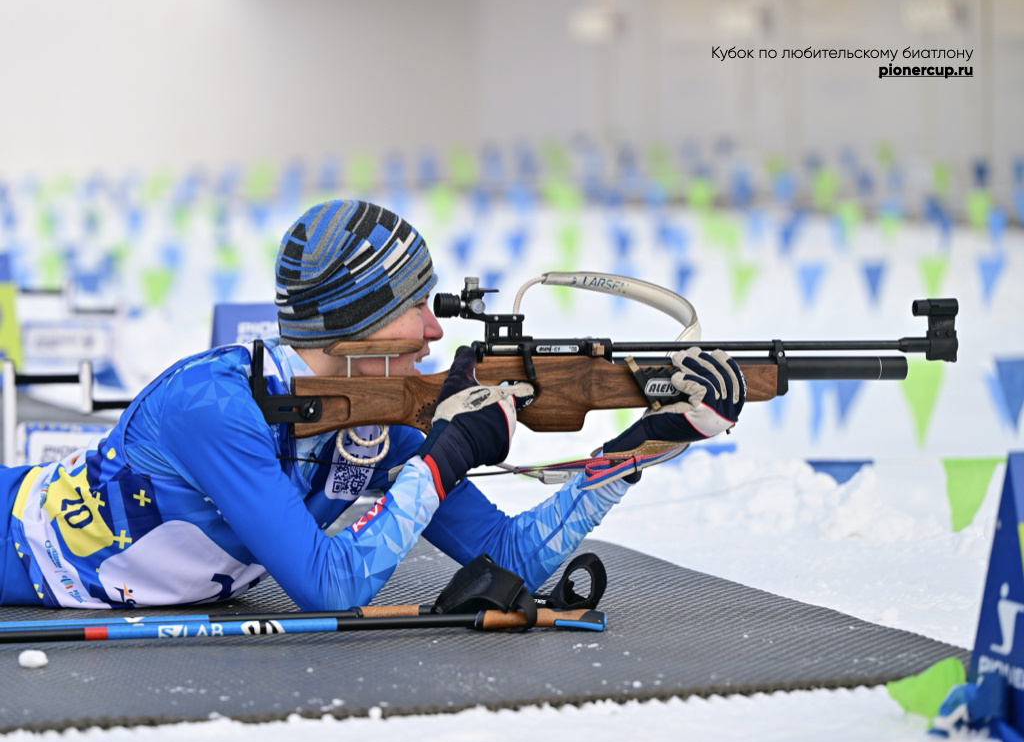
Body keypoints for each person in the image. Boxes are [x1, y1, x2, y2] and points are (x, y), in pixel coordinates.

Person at [0, 199, 744, 611]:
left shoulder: (375, 416)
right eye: (413, 306)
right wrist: (448, 454)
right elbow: (327, 586)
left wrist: (642, 444)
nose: (434, 329)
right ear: (353, 321)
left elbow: (511, 557)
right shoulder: (212, 406)